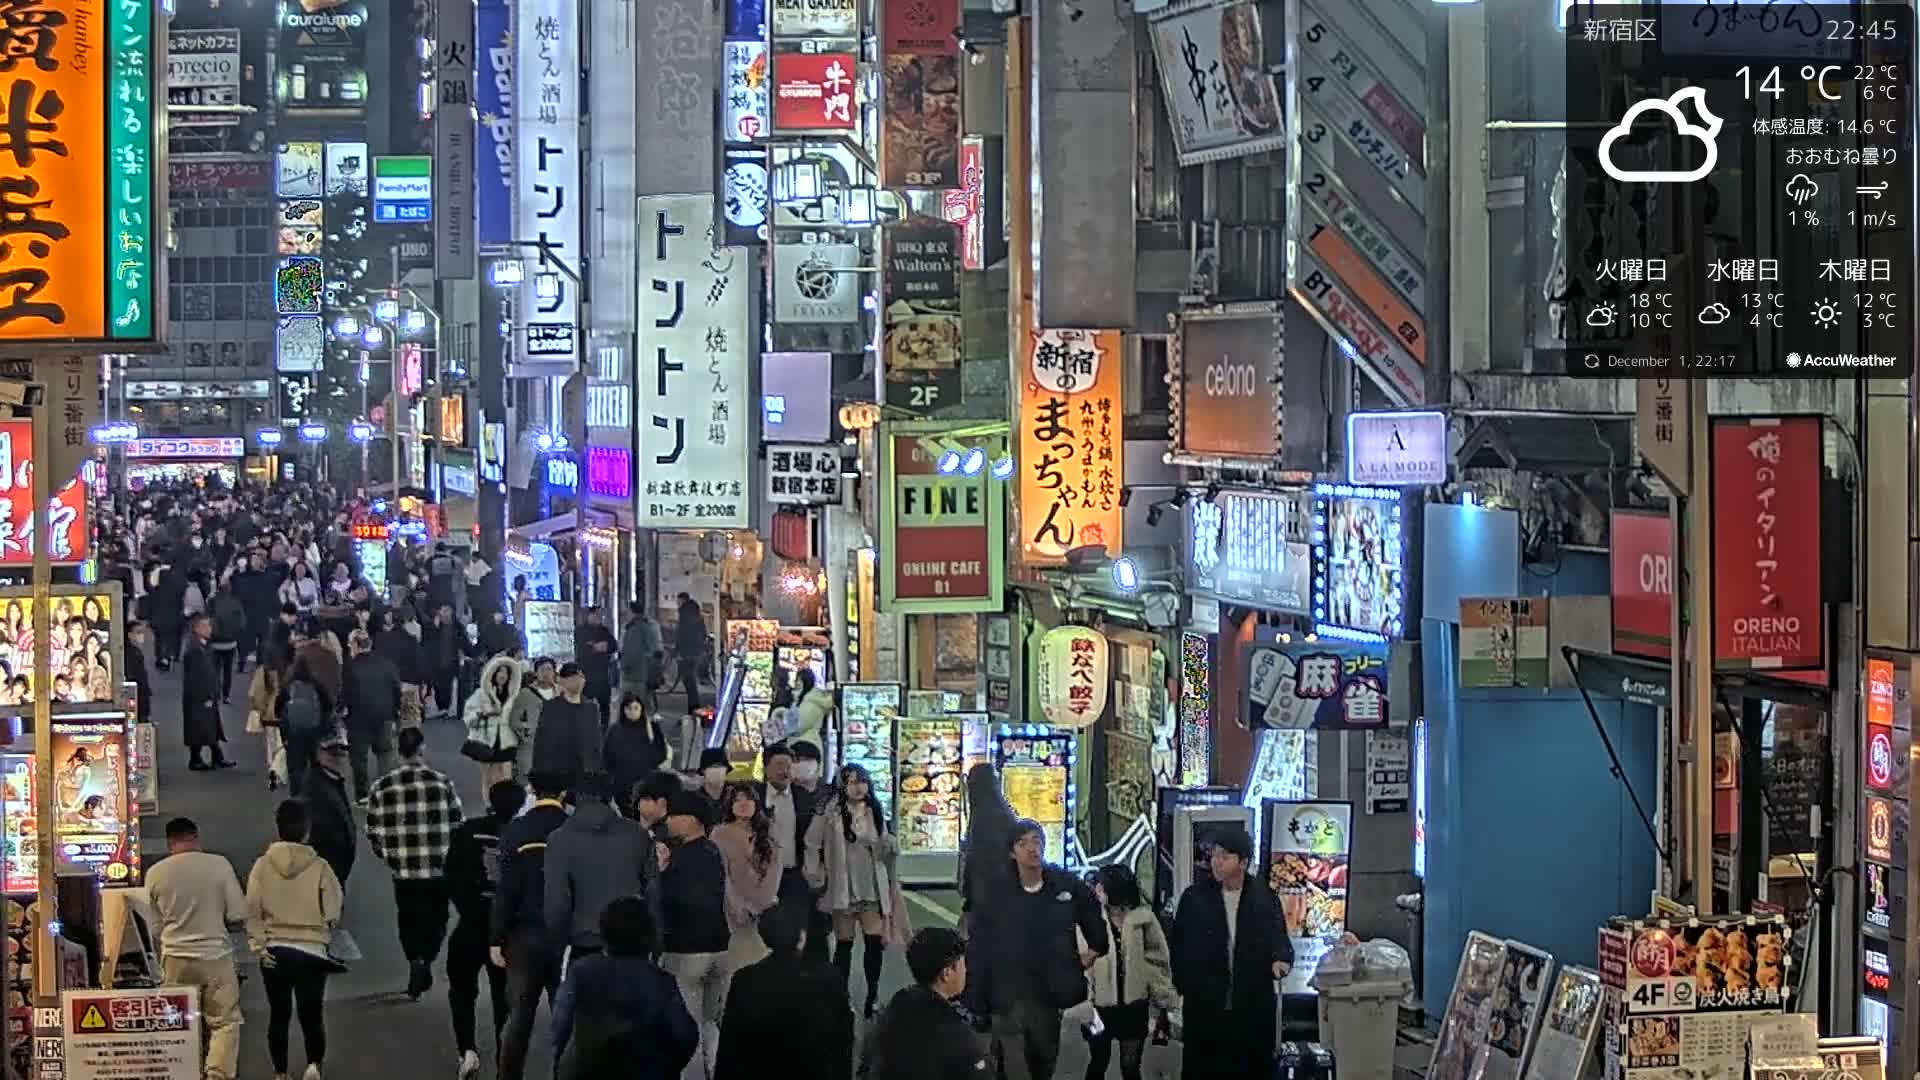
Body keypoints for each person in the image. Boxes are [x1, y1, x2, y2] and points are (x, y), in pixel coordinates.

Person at [964, 820, 1110, 1080]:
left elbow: (1091, 913)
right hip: (1008, 994)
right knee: (1014, 1064)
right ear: (1012, 852)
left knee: (1044, 1060)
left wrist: (1093, 950)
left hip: (1048, 992)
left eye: (1037, 841)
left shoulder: (1063, 885)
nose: (1033, 848)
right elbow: (979, 945)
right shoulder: (997, 893)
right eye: (1023, 843)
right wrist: (977, 997)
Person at [1170, 825, 1292, 1078]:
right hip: (1205, 1004)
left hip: (1251, 1004)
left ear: (1243, 862)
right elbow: (1178, 946)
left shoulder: (1264, 898)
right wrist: (1184, 985)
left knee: (1249, 1067)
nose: (1216, 862)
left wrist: (1282, 960)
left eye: (1224, 857)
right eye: (1213, 855)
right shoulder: (1194, 898)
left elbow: (1280, 939)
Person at [245, 799, 345, 1080]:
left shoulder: (262, 866)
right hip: (311, 950)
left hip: (275, 949)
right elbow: (334, 909)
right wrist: (324, 929)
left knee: (279, 1014)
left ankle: (280, 1073)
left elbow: (252, 908)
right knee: (311, 1013)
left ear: (278, 829)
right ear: (307, 831)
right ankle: (313, 1066)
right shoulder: (320, 866)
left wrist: (259, 945)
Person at [364, 725, 465, 999]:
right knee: (437, 919)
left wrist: (390, 857)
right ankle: (428, 958)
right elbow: (458, 824)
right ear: (422, 750)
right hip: (438, 867)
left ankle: (414, 960)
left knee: (408, 918)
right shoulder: (442, 783)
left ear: (399, 753)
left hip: (404, 870)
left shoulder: (382, 787)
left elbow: (373, 832)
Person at [551, 896, 699, 1080]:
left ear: (604, 933)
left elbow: (560, 1026)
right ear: (648, 936)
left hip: (588, 1069)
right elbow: (684, 1034)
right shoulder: (660, 980)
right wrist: (666, 1068)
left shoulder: (582, 971)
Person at [145, 817, 247, 1080]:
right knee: (224, 1021)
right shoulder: (219, 865)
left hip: (175, 959)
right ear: (196, 838)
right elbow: (237, 912)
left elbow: (154, 926)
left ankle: (181, 1071)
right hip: (216, 956)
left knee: (178, 1020)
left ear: (170, 843)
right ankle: (217, 1073)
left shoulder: (156, 873)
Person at [492, 772, 572, 1080]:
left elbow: (506, 890)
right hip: (565, 936)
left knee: (518, 1019)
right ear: (563, 792)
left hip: (524, 936)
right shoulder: (571, 829)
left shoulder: (518, 829)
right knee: (564, 1017)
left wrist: (496, 937)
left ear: (532, 791)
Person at [712, 907, 853, 1080]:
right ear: (801, 938)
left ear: (764, 937)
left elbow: (730, 1048)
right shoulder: (831, 980)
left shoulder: (745, 980)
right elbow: (842, 1047)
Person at [803, 763, 899, 1017]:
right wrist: (816, 874)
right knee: (844, 946)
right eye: (851, 781)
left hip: (871, 888)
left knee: (874, 943)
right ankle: (841, 997)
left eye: (861, 781)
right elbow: (811, 843)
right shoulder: (829, 812)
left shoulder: (874, 811)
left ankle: (872, 995)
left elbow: (883, 848)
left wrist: (888, 846)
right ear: (842, 785)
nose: (858, 787)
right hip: (842, 888)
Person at [445, 780, 521, 1080]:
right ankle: (505, 1052)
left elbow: (450, 874)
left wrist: (468, 907)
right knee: (504, 995)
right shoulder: (520, 836)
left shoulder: (467, 831)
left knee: (462, 991)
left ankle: (467, 1051)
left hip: (470, 926)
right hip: (506, 932)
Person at [544, 772, 662, 958]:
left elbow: (558, 900)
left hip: (584, 943)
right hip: (632, 942)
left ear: (575, 796)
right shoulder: (637, 834)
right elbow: (653, 891)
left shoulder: (559, 839)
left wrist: (556, 944)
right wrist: (655, 941)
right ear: (610, 796)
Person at [659, 792, 731, 1078]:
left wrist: (661, 875)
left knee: (687, 1029)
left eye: (676, 814)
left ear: (693, 820)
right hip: (719, 948)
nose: (670, 820)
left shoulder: (683, 858)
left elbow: (678, 899)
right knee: (711, 1023)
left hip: (686, 950)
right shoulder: (713, 852)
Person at [1083, 865, 1176, 1080]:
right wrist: (1084, 999)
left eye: (1101, 887)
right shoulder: (1091, 918)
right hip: (1100, 1007)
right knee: (1098, 1059)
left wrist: (1162, 995)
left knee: (1131, 1064)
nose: (1097, 891)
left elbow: (1157, 959)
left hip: (1134, 1006)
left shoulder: (1143, 919)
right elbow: (1083, 960)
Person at [861, 927, 989, 1080]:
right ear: (947, 973)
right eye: (963, 964)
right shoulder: (959, 1037)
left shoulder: (895, 1007)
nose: (966, 971)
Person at [755, 743, 824, 960]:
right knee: (762, 929)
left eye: (788, 765)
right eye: (778, 765)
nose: (784, 770)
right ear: (765, 768)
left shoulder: (803, 797)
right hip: (761, 875)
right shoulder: (753, 796)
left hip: (794, 873)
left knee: (797, 928)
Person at [711, 784, 781, 970]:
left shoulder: (767, 833)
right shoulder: (719, 834)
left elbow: (774, 871)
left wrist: (759, 905)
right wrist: (739, 906)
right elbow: (722, 875)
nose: (743, 804)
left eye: (748, 799)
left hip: (764, 912)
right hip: (731, 913)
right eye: (737, 800)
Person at [340, 629, 403, 801]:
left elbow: (343, 695)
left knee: (359, 759)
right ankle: (386, 792)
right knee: (384, 756)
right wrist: (396, 712)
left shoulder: (349, 667)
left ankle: (363, 795)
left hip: (358, 719)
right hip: (384, 716)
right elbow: (397, 690)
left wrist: (340, 714)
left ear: (355, 645)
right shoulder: (387, 664)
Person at [958, 763, 1017, 936]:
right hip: (1004, 893)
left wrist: (968, 894)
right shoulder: (1002, 813)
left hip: (986, 896)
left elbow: (976, 861)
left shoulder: (982, 818)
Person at [530, 662, 604, 792]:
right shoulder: (551, 707)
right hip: (558, 771)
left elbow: (596, 741)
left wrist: (597, 771)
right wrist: (539, 774)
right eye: (573, 677)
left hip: (584, 772)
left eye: (581, 677)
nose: (579, 681)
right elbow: (541, 742)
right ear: (562, 681)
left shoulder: (591, 708)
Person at [277, 646, 335, 797]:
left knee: (295, 765)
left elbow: (278, 706)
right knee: (313, 762)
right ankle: (313, 793)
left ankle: (296, 796)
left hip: (293, 731)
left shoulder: (288, 684)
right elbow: (328, 704)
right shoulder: (315, 683)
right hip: (312, 730)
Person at [303, 736, 359, 886]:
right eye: (333, 751)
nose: (341, 755)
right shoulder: (317, 791)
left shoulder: (331, 780)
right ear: (317, 754)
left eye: (344, 749)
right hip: (329, 872)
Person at [180, 614, 232, 771]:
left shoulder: (204, 646)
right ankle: (196, 759)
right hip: (199, 697)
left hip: (207, 694)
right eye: (206, 626)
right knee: (201, 727)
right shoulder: (194, 650)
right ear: (197, 628)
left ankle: (216, 756)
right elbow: (196, 677)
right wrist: (206, 696)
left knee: (209, 727)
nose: (210, 629)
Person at [463, 654, 523, 788]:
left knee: (506, 776)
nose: (503, 675)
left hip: (506, 738)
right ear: (493, 673)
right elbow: (469, 715)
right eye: (500, 671)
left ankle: (504, 804)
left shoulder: (513, 695)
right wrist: (485, 714)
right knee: (488, 776)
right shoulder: (482, 693)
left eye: (506, 672)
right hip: (486, 738)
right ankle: (490, 805)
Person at [603, 692, 667, 815]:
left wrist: (647, 765)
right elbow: (607, 756)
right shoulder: (615, 730)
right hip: (622, 785)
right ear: (623, 710)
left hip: (645, 783)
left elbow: (661, 752)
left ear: (641, 709)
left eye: (636, 708)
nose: (632, 711)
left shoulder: (652, 728)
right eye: (628, 708)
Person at [508, 657, 559, 780]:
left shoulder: (561, 693)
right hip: (531, 748)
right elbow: (514, 720)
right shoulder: (525, 694)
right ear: (536, 673)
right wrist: (527, 733)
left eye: (549, 669)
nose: (546, 673)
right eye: (542, 670)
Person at [575, 607, 618, 728]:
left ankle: (604, 728)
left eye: (599, 616)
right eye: (594, 615)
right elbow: (581, 649)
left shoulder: (604, 630)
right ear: (588, 616)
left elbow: (613, 645)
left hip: (602, 674)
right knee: (583, 704)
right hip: (585, 674)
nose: (597, 618)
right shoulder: (580, 630)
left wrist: (604, 647)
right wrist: (596, 647)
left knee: (604, 705)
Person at [617, 600, 663, 709]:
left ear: (631, 612)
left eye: (627, 611)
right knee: (646, 705)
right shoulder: (653, 625)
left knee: (631, 706)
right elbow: (658, 649)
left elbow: (631, 653)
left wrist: (622, 666)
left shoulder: (632, 629)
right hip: (650, 672)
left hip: (634, 675)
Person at [208, 576, 248, 701]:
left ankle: (215, 693)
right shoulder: (236, 601)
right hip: (230, 642)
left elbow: (206, 619)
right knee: (227, 670)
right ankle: (226, 695)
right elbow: (242, 622)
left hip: (215, 641)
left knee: (215, 669)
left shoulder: (213, 601)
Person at [426, 603, 464, 721]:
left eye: (447, 611)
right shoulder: (433, 626)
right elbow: (427, 641)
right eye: (442, 611)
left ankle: (446, 709)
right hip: (437, 662)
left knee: (448, 687)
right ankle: (441, 708)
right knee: (438, 687)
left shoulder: (457, 627)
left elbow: (464, 642)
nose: (444, 613)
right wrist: (434, 627)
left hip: (451, 662)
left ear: (451, 612)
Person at [673, 593, 708, 710]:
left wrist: (679, 651)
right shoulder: (696, 614)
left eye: (678, 601)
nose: (677, 603)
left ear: (683, 600)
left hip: (687, 652)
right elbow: (703, 633)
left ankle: (693, 709)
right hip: (696, 651)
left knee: (689, 682)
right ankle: (693, 709)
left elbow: (682, 634)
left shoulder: (684, 614)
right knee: (691, 681)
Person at [691, 748, 732, 823]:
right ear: (703, 771)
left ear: (726, 770)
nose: (718, 771)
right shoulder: (694, 799)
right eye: (713, 767)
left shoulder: (735, 796)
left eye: (721, 766)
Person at [125, 618, 153, 725]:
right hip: (137, 699)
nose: (142, 636)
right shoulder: (133, 653)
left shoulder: (136, 651)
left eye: (142, 633)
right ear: (130, 635)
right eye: (138, 633)